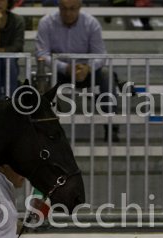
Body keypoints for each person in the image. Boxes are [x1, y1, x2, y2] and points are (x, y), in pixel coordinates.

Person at [35, 0, 120, 141]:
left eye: (72, 8)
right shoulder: (46, 23)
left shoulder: (91, 23)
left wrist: (88, 68)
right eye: (64, 8)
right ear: (59, 7)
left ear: (80, 7)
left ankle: (111, 127)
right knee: (42, 78)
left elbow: (100, 55)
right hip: (59, 72)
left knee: (107, 75)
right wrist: (65, 68)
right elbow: (41, 54)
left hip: (86, 71)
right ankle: (43, 131)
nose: (68, 13)